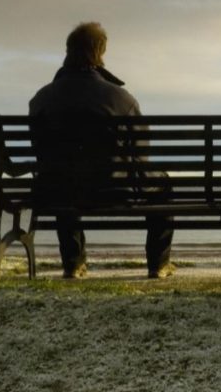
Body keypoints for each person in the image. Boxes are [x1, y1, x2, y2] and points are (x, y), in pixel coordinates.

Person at [29, 22, 173, 279]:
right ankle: (158, 264)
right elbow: (141, 154)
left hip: (57, 190)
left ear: (68, 51)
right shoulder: (121, 98)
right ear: (100, 53)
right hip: (114, 189)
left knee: (63, 178)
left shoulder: (41, 98)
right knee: (163, 184)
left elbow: (41, 152)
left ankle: (73, 263)